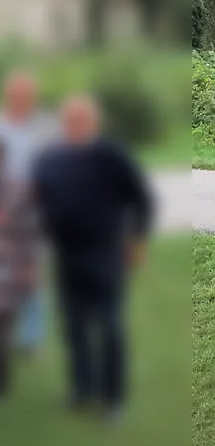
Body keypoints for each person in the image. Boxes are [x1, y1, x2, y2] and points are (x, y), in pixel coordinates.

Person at [30, 96, 151, 417]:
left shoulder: (111, 156)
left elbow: (141, 198)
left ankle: (113, 400)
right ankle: (82, 390)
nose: (76, 126)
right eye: (70, 120)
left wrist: (137, 240)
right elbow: (36, 199)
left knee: (109, 326)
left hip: (104, 252)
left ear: (94, 123)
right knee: (73, 326)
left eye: (82, 120)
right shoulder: (51, 158)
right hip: (66, 254)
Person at [0, 71, 53, 356]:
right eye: (17, 95)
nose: (22, 100)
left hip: (34, 210)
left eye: (27, 95)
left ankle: (31, 338)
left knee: (32, 273)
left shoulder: (43, 127)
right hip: (4, 209)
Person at [0, 144, 35, 395]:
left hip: (8, 269)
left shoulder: (17, 193)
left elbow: (29, 234)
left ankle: (3, 380)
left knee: (4, 325)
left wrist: (28, 268)